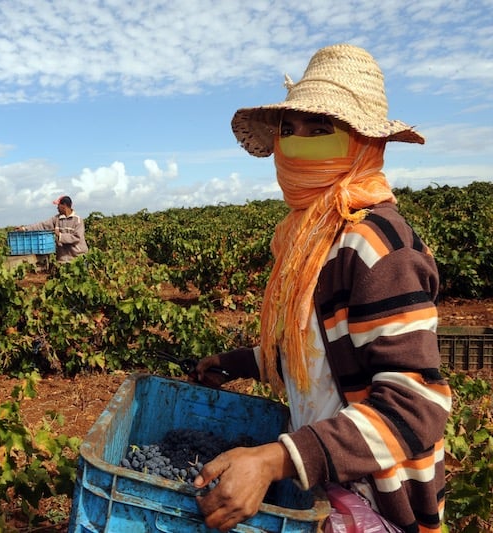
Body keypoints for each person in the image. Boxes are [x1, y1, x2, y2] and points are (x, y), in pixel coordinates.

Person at [191, 44, 451, 532]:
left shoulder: (374, 245)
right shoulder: (312, 237)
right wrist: (239, 362)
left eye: (319, 131)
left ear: (364, 144)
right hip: (327, 486)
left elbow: (416, 408)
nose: (297, 143)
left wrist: (276, 459)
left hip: (375, 500)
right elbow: (324, 351)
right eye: (290, 130)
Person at [18, 195, 89, 262]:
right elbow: (42, 225)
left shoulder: (78, 220)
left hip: (78, 258)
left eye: (58, 205)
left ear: (64, 205)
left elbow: (77, 237)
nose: (57, 208)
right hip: (62, 259)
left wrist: (60, 235)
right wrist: (24, 228)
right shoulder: (56, 219)